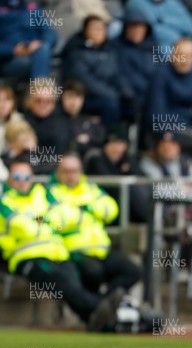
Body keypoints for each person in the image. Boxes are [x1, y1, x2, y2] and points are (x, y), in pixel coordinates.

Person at [0, 158, 123, 331]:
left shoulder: (43, 194)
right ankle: (113, 310)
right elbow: (23, 228)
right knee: (65, 284)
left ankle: (100, 321)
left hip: (58, 253)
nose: (22, 181)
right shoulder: (4, 201)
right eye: (17, 176)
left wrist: (39, 220)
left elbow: (68, 216)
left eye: (26, 176)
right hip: (28, 257)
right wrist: (45, 220)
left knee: (75, 284)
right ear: (9, 179)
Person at [46, 153, 141, 295]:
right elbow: (57, 220)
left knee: (132, 271)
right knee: (93, 272)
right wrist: (81, 212)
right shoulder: (51, 192)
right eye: (66, 171)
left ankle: (105, 304)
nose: (71, 175)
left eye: (75, 171)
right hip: (72, 250)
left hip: (101, 249)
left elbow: (111, 210)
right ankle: (97, 309)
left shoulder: (89, 187)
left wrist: (87, 208)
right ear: (57, 172)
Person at [61, 15, 134, 124]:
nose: (99, 31)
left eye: (102, 28)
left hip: (111, 93)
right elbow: (85, 80)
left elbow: (118, 75)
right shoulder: (76, 52)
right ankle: (105, 137)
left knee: (132, 104)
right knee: (110, 104)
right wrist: (111, 93)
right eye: (95, 28)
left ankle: (122, 138)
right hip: (86, 96)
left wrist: (127, 92)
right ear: (85, 31)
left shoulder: (110, 50)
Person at [0, 0, 57, 79]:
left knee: (44, 49)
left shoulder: (32, 7)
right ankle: (41, 88)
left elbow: (50, 34)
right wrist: (13, 50)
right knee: (37, 62)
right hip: (9, 59)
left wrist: (39, 44)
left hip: (35, 52)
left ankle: (39, 87)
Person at [59, 80, 106, 158]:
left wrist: (89, 140)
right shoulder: (56, 121)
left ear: (83, 99)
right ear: (62, 98)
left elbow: (100, 140)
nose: (73, 101)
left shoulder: (90, 121)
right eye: (70, 96)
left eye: (77, 96)